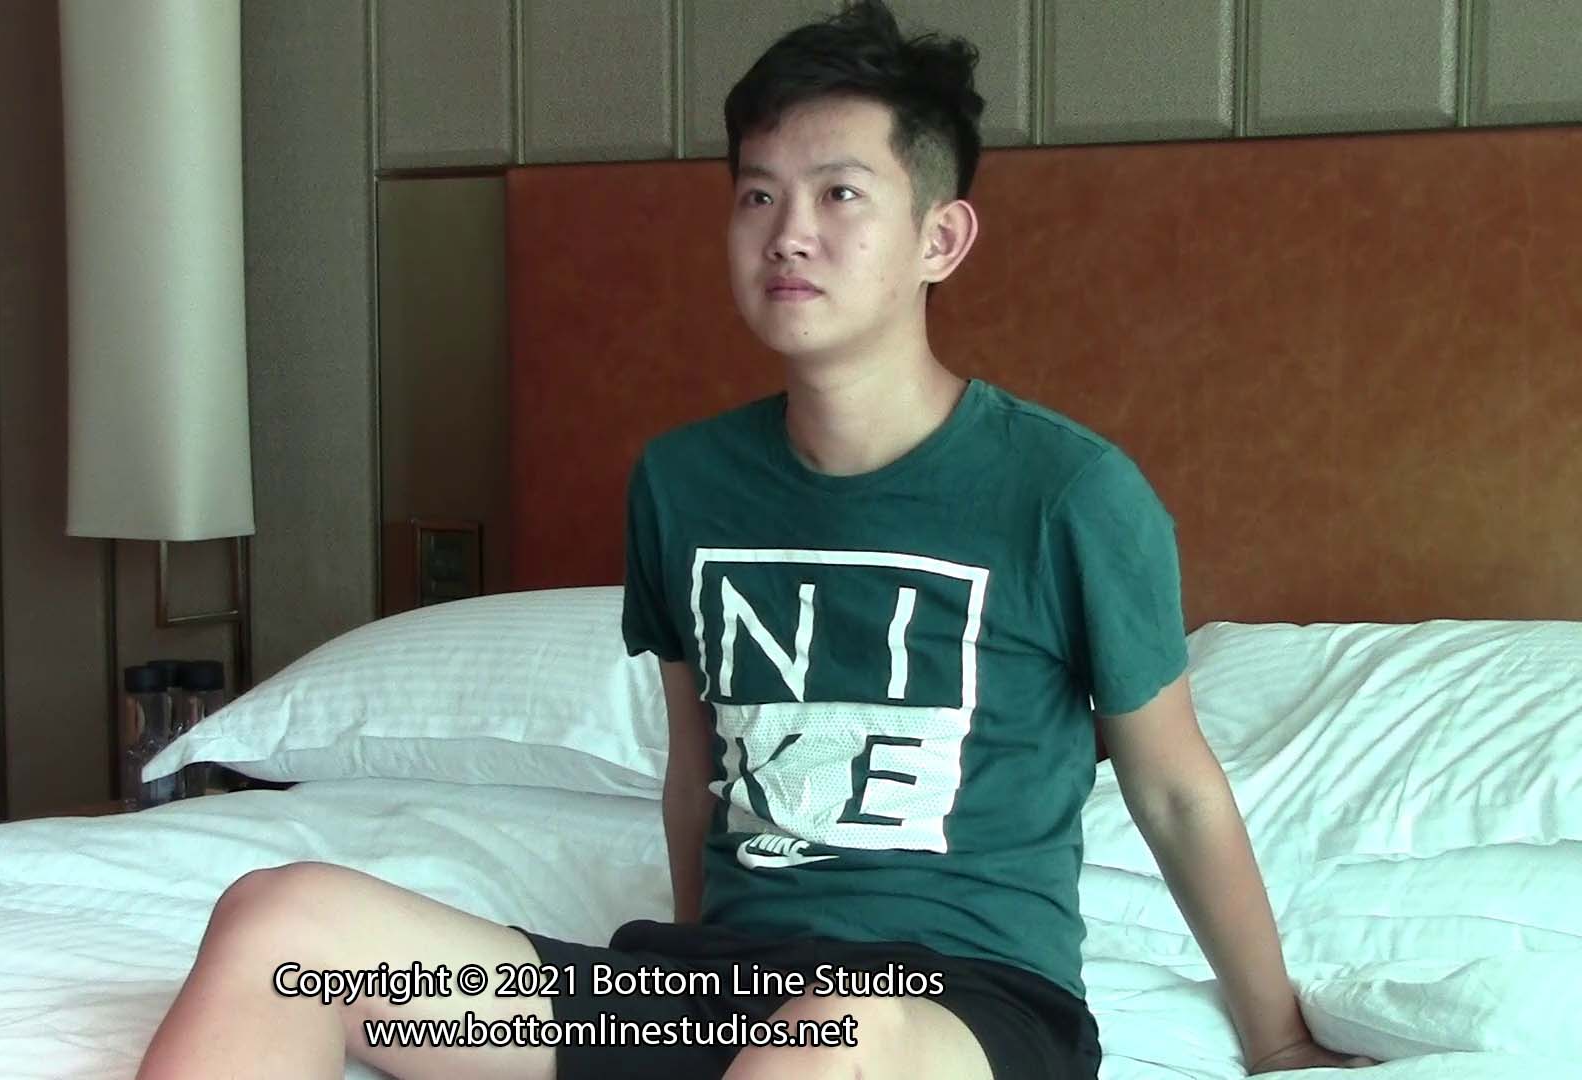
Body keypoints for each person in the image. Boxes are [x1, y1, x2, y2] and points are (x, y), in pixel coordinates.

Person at [134, 2, 1379, 1077]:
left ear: (940, 238)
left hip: (956, 1008)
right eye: (756, 194)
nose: (788, 231)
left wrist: (1276, 1041)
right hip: (705, 996)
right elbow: (698, 771)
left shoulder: (1069, 493)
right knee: (282, 924)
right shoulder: (684, 483)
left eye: (840, 193)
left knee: (836, 1030)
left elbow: (1174, 788)